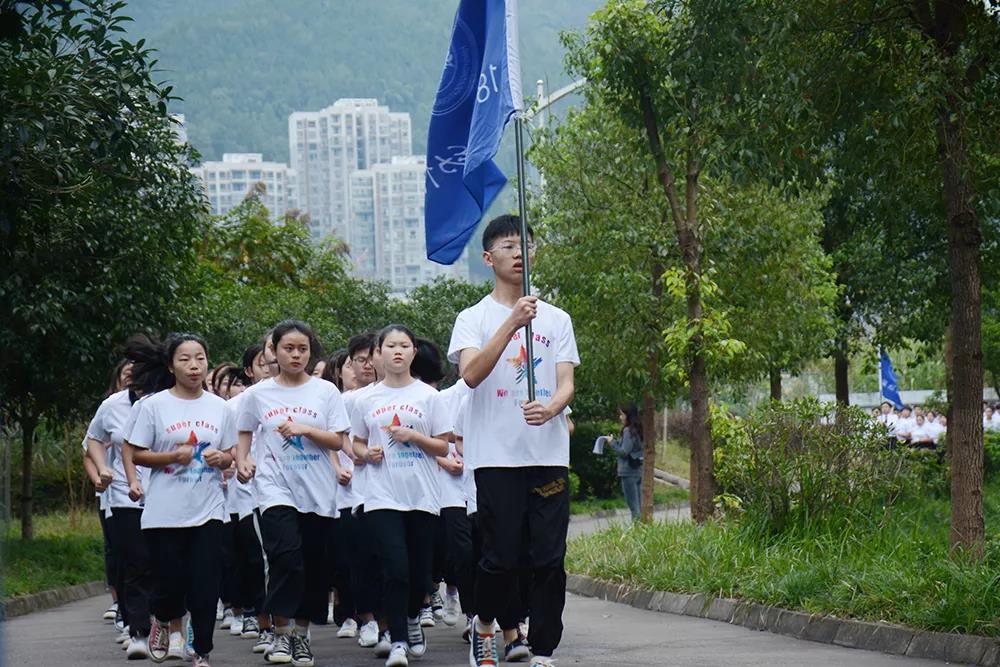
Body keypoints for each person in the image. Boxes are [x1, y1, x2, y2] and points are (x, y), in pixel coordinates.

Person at [448, 215, 579, 667]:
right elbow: (470, 373)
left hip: (547, 455)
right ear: (489, 258)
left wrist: (554, 407)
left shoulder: (558, 319)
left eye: (526, 243)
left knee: (548, 557)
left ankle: (542, 647)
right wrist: (512, 322)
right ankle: (484, 623)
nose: (519, 251)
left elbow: (566, 382)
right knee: (500, 556)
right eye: (508, 245)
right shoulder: (473, 318)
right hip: (496, 456)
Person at [235, 319, 350, 667]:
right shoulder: (257, 394)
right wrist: (243, 460)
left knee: (313, 566)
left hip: (317, 491)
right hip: (274, 488)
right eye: (289, 348)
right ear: (274, 351)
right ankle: (281, 635)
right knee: (286, 558)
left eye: (302, 349)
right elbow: (244, 433)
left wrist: (305, 429)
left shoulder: (325, 392)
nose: (296, 355)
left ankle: (301, 635)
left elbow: (338, 440)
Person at [123, 333, 237, 667]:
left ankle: (201, 649)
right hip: (165, 512)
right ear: (172, 365)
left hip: (210, 510)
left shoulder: (220, 408)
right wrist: (173, 456)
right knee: (169, 583)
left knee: (205, 586)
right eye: (185, 359)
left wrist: (223, 459)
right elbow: (137, 454)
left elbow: (231, 452)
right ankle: (161, 617)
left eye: (200, 357)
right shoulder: (154, 406)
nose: (193, 365)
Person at [352, 324, 451, 667]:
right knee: (394, 568)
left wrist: (414, 437)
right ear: (378, 353)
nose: (397, 351)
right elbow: (356, 442)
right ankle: (396, 641)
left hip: (422, 495)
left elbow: (443, 444)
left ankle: (411, 619)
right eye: (390, 345)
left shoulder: (429, 397)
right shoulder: (365, 399)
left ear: (413, 352)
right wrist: (365, 454)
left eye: (404, 345)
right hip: (381, 495)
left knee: (419, 573)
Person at [608, 404, 644, 522]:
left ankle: (636, 533)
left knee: (634, 507)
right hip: (637, 471)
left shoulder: (628, 430)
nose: (620, 417)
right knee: (638, 505)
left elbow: (624, 452)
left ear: (628, 415)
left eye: (622, 414)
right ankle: (640, 532)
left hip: (628, 472)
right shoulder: (637, 429)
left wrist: (612, 443)